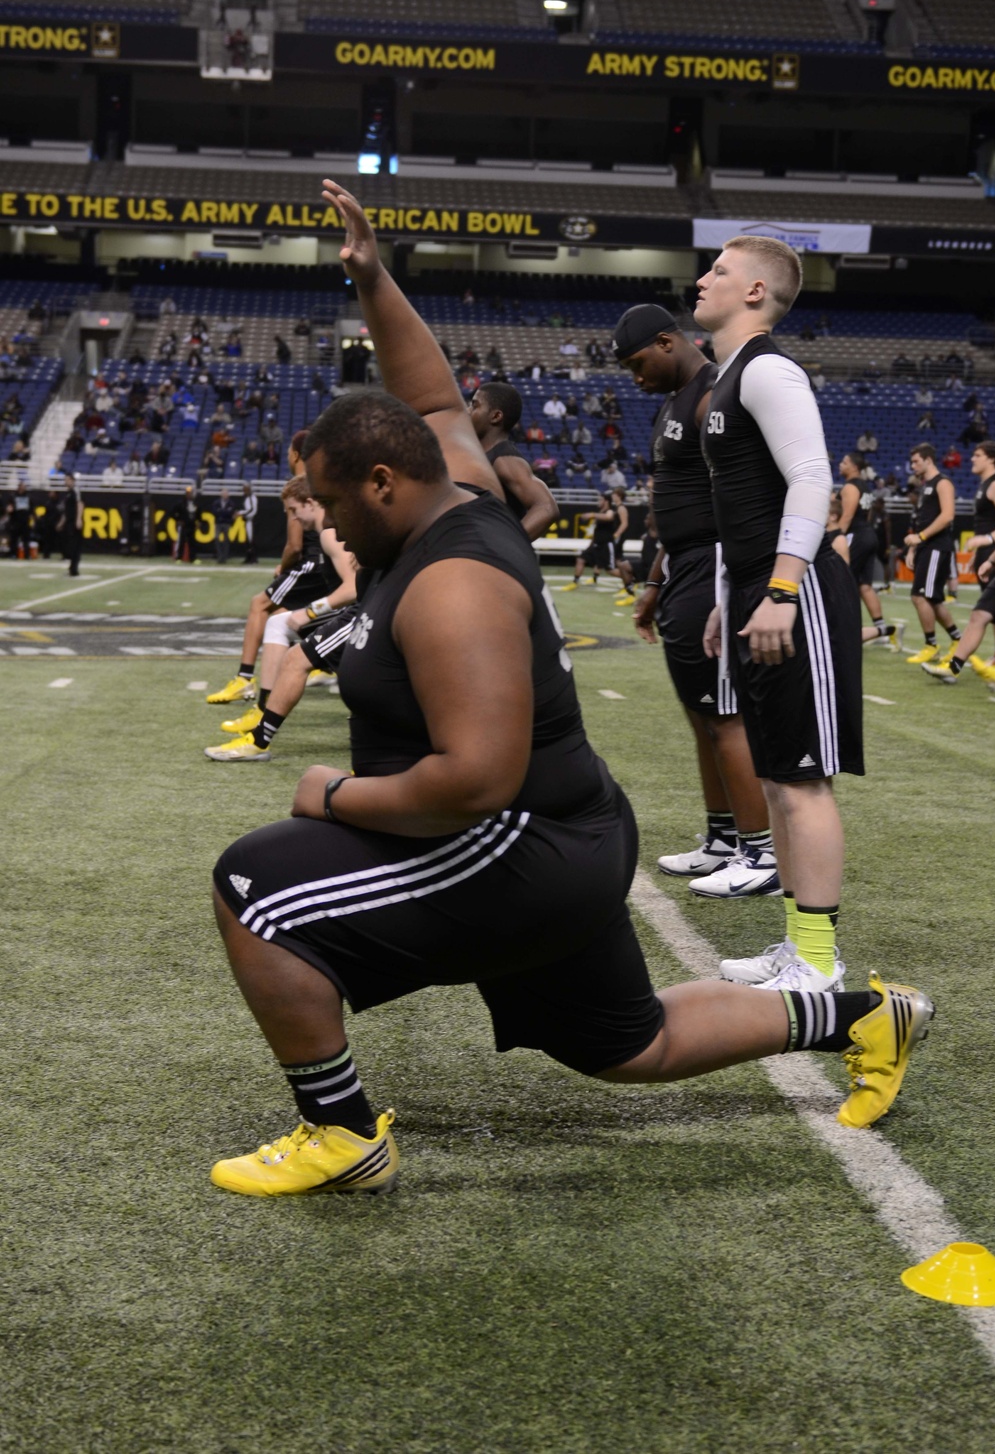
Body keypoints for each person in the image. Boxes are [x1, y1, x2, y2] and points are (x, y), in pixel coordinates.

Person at [206, 181, 935, 1198]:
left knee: (255, 889)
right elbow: (429, 398)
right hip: (569, 831)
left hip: (520, 840)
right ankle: (862, 1013)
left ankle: (340, 1131)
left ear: (380, 486)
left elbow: (474, 778)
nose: (325, 521)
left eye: (331, 500)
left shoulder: (451, 584)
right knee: (623, 1044)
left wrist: (330, 793)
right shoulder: (449, 486)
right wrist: (373, 280)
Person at [694, 235, 864, 994]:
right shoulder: (731, 378)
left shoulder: (767, 368)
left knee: (802, 781)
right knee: (776, 780)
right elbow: (743, 505)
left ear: (756, 292)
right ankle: (798, 944)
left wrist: (782, 591)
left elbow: (810, 479)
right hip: (756, 592)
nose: (703, 279)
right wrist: (731, 596)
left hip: (792, 596)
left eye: (720, 271)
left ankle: (820, 960)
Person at [614, 303, 777, 900]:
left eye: (639, 364)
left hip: (714, 565)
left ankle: (759, 852)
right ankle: (723, 839)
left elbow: (742, 490)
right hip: (683, 565)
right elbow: (671, 505)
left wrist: (734, 573)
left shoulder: (714, 392)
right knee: (701, 716)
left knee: (725, 714)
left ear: (667, 341)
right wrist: (656, 580)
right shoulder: (673, 402)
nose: (637, 377)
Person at [204, 483, 358, 761]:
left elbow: (354, 589)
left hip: (365, 612)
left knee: (301, 660)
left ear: (311, 502)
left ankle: (260, 739)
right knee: (279, 624)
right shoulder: (329, 529)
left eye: (294, 510)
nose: (294, 518)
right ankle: (262, 716)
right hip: (362, 608)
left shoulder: (331, 533)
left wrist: (311, 612)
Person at [922, 441, 995, 684]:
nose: (972, 459)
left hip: (993, 551)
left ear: (991, 458)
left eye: (977, 455)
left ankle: (954, 666)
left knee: (982, 613)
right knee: (990, 614)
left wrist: (987, 541)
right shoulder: (985, 484)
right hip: (990, 555)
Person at [467, 384, 557, 539]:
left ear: (496, 416)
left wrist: (508, 546)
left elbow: (546, 507)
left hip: (491, 559)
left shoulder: (504, 459)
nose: (467, 411)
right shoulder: (480, 454)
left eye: (474, 406)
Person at [903, 444, 961, 667]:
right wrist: (913, 548)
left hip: (937, 546)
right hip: (927, 546)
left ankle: (931, 645)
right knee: (933, 599)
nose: (913, 466)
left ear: (928, 460)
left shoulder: (942, 482)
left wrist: (921, 538)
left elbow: (947, 516)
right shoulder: (925, 487)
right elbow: (921, 521)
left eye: (917, 461)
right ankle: (957, 639)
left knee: (920, 596)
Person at [835, 452, 899, 649]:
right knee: (865, 585)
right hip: (868, 534)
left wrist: (836, 538)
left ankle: (845, 628)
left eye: (844, 462)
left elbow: (846, 517)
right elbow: (869, 514)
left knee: (843, 582)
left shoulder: (850, 486)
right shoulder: (866, 487)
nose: (840, 464)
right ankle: (881, 630)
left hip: (855, 535)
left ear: (854, 467)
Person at [560, 493, 619, 589]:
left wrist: (592, 515)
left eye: (601, 500)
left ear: (606, 501)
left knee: (610, 570)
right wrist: (591, 543)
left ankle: (630, 580)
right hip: (596, 544)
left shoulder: (610, 511)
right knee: (581, 559)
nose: (599, 502)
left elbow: (609, 517)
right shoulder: (600, 512)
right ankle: (575, 582)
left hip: (606, 545)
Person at [57, 472, 83, 576]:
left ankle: (74, 569)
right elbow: (66, 511)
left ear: (72, 480)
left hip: (74, 522)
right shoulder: (67, 493)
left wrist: (78, 519)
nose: (65, 481)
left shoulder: (75, 491)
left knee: (75, 546)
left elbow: (80, 504)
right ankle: (71, 567)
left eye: (67, 479)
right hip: (68, 522)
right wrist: (61, 523)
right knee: (69, 545)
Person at [173, 486, 201, 563]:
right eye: (188, 493)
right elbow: (172, 513)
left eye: (191, 493)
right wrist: (178, 520)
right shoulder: (181, 503)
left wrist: (198, 522)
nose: (189, 495)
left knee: (192, 543)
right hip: (184, 526)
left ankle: (193, 558)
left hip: (192, 526)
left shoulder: (195, 503)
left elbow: (199, 514)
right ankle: (179, 558)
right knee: (181, 542)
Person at [214, 488, 237, 563]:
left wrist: (221, 511)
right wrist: (225, 512)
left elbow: (230, 512)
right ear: (221, 495)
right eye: (223, 494)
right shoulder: (216, 502)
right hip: (218, 523)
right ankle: (220, 555)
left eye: (226, 494)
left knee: (226, 540)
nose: (225, 495)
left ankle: (224, 557)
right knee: (217, 539)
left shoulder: (231, 503)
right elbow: (214, 511)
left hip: (226, 523)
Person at [241, 481, 259, 564]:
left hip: (251, 521)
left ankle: (253, 558)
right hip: (247, 521)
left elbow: (252, 510)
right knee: (247, 540)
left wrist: (242, 514)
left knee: (251, 540)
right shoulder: (247, 498)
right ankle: (248, 557)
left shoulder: (252, 498)